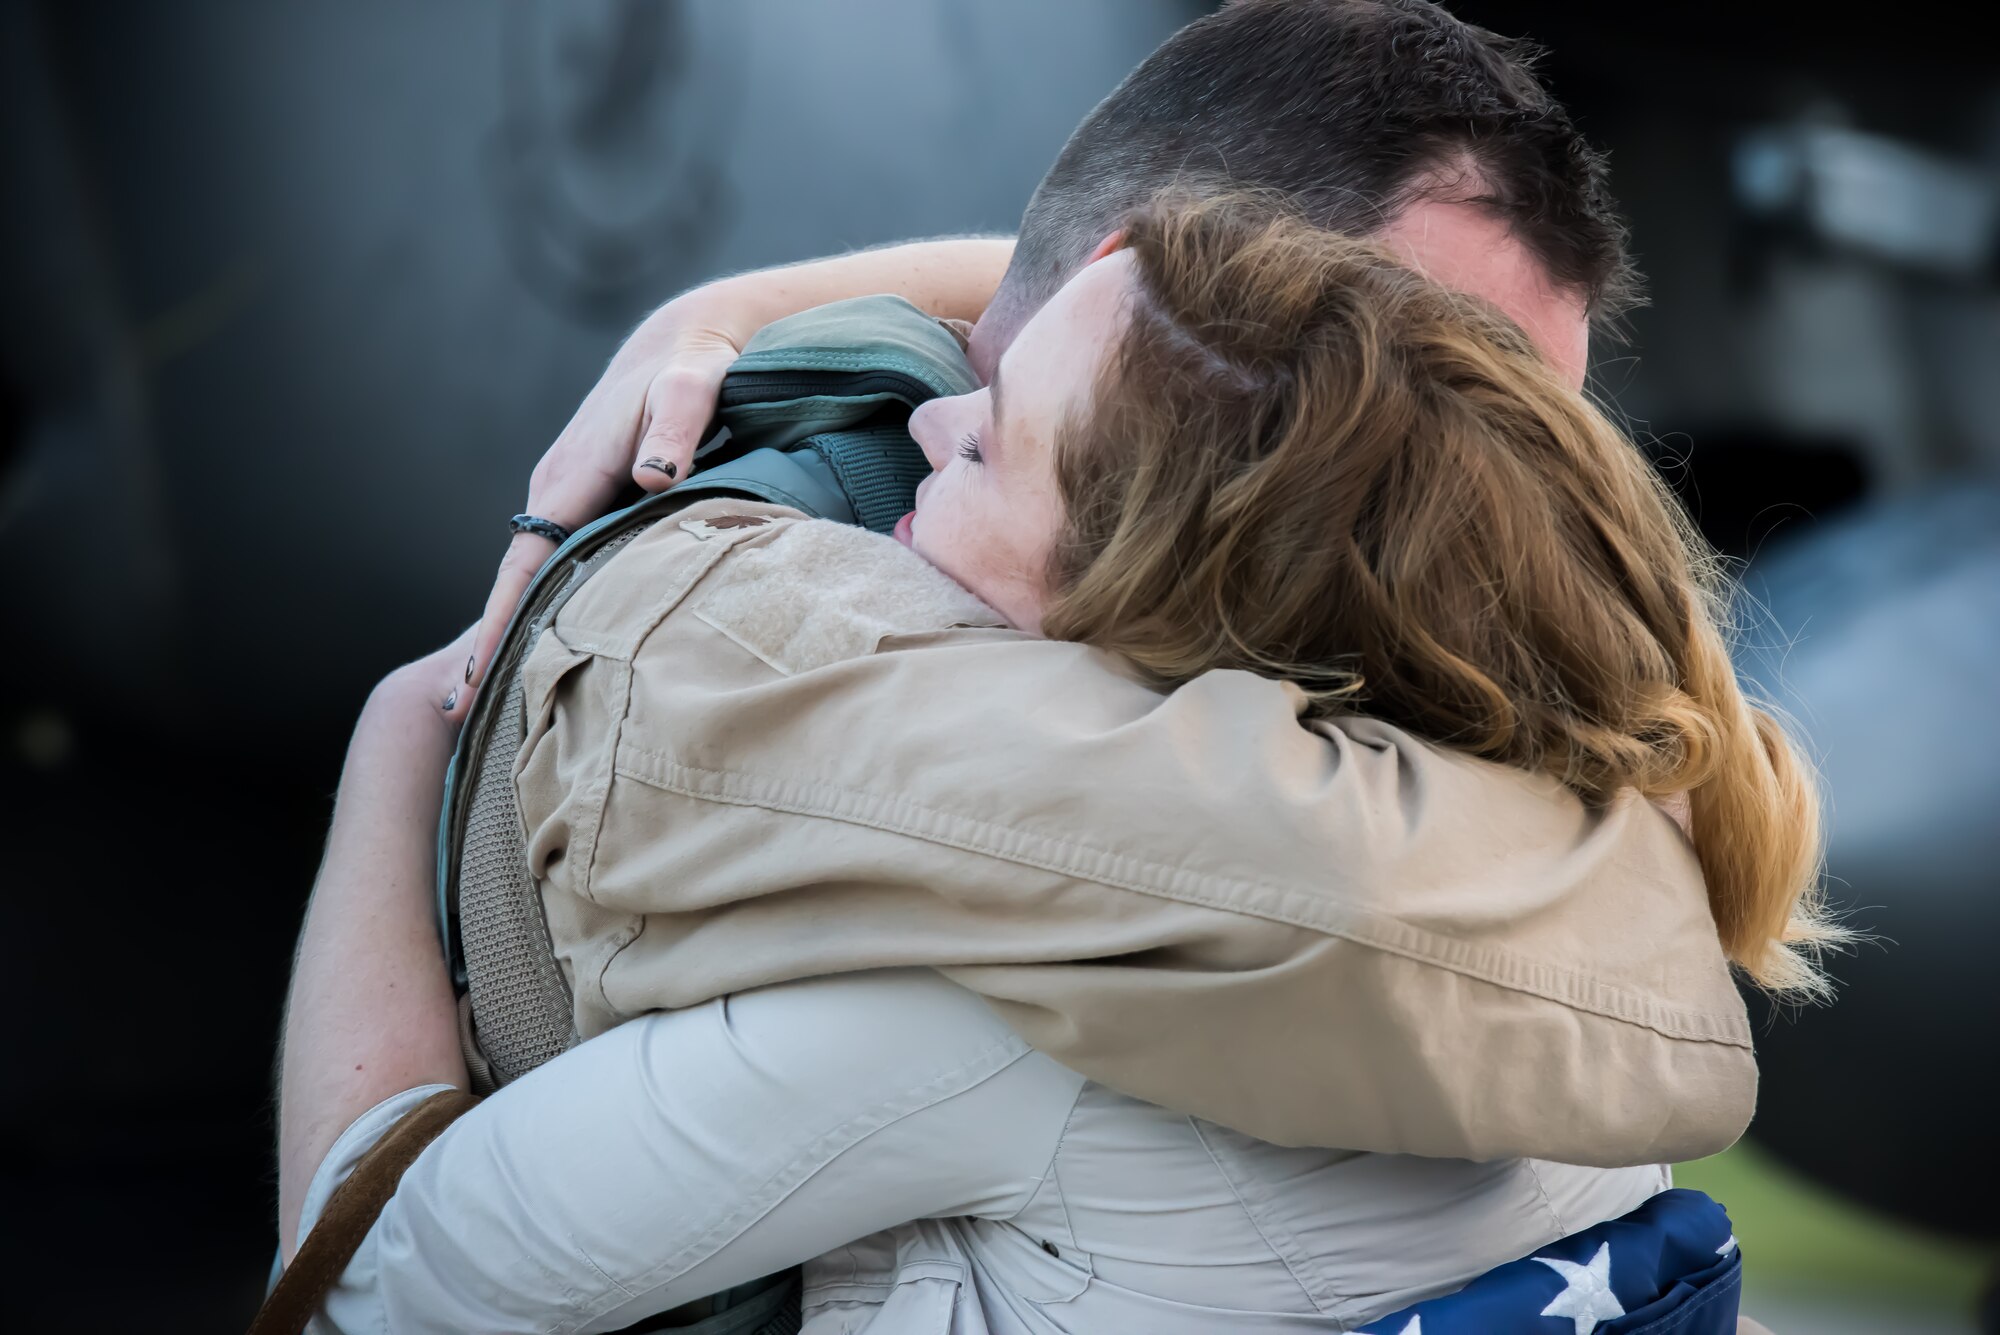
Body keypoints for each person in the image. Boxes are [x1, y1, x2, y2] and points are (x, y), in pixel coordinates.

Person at [274, 2, 1822, 1330]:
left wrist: (407, 728)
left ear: (1163, 580)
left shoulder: (1013, 994)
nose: (1490, 477)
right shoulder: (1594, 817)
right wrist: (746, 306)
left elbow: (381, 1290)